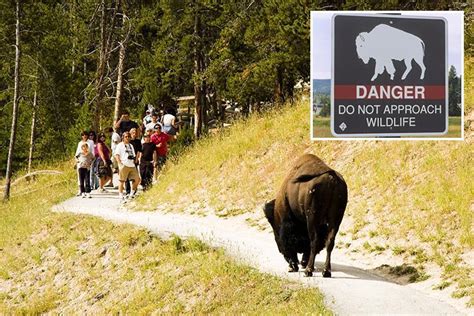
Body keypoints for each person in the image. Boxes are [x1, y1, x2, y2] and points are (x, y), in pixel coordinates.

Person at [114, 131, 140, 200]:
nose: (127, 138)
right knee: (122, 180)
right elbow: (116, 155)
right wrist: (120, 164)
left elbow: (134, 155)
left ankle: (132, 193)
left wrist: (135, 161)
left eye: (129, 136)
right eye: (126, 136)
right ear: (123, 137)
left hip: (131, 164)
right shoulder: (120, 145)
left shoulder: (131, 145)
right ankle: (121, 195)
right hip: (124, 164)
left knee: (137, 179)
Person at [75, 131, 95, 196]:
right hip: (81, 161)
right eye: (83, 135)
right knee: (80, 177)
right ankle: (80, 190)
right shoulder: (80, 143)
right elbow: (77, 153)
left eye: (86, 135)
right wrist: (77, 161)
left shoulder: (90, 142)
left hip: (88, 161)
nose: (84, 136)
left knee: (88, 177)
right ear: (82, 136)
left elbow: (92, 152)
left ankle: (88, 190)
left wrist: (91, 161)